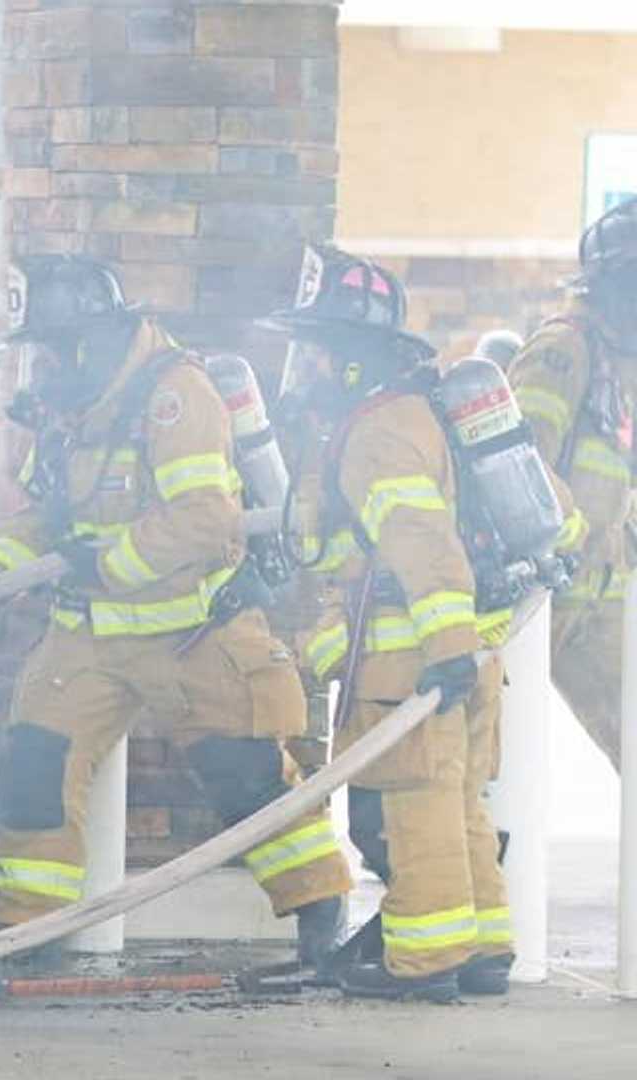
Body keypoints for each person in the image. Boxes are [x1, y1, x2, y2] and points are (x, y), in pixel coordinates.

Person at [0, 254, 352, 968]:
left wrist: (107, 564)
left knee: (245, 776)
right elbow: (42, 515)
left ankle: (321, 915)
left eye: (50, 352)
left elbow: (205, 518)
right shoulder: (71, 413)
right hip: (89, 636)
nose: (41, 371)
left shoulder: (176, 395)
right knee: (35, 763)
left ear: (89, 343)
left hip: (194, 631)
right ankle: (26, 932)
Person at [267, 245, 519, 1001]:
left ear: (350, 358)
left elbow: (421, 541)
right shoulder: (413, 411)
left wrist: (443, 649)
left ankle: (425, 962)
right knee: (458, 803)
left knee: (416, 808)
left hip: (411, 664)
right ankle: (484, 949)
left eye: (314, 350)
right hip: (462, 654)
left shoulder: (377, 433)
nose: (304, 368)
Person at [506, 198, 637, 768]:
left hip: (601, 594)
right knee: (494, 752)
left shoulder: (620, 361)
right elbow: (520, 473)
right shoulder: (563, 350)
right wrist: (561, 546)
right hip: (543, 593)